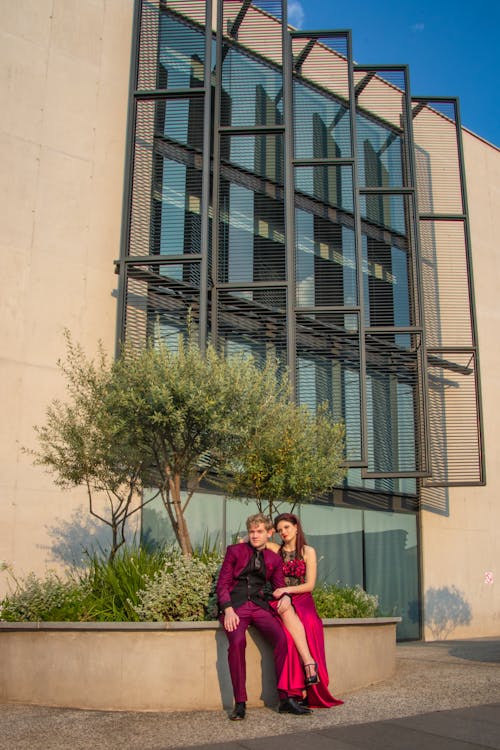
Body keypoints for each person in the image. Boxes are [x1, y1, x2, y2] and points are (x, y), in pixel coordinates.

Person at [216, 513, 313, 720]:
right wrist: (228, 609)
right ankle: (240, 703)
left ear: (269, 533)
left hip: (260, 608)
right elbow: (222, 584)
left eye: (259, 531)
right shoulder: (234, 551)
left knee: (282, 639)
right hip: (236, 607)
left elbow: (279, 586)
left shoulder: (274, 558)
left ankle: (285, 699)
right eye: (251, 531)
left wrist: (285, 596)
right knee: (237, 642)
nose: (255, 535)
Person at [269, 512, 344, 709]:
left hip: (302, 599)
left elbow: (309, 585)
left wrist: (286, 589)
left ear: (296, 527)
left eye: (286, 527)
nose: (283, 532)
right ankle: (296, 689)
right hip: (282, 602)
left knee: (310, 624)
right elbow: (252, 539)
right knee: (288, 636)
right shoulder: (276, 549)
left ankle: (312, 688)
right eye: (279, 530)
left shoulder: (308, 551)